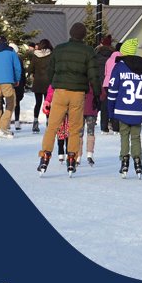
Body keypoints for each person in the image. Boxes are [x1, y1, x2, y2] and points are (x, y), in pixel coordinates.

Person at [38, 23, 100, 175]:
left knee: (53, 126)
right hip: (78, 93)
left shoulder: (59, 49)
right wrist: (97, 94)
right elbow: (93, 75)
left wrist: (55, 84)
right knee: (74, 127)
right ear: (84, 35)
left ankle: (45, 155)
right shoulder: (88, 51)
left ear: (71, 33)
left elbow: (50, 71)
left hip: (60, 91)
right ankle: (72, 157)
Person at [106, 38, 142, 177]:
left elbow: (112, 90)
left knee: (124, 135)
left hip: (122, 108)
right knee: (136, 137)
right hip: (137, 109)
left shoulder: (119, 67)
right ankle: (138, 162)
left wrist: (110, 110)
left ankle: (124, 161)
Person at [28, 39, 54, 133]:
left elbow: (30, 68)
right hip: (48, 83)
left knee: (38, 103)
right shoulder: (51, 55)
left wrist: (32, 74)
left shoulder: (35, 55)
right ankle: (48, 122)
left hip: (38, 82)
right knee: (47, 103)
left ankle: (35, 122)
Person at [93, 35, 116, 133]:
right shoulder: (114, 55)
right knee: (112, 103)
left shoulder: (97, 54)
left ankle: (103, 126)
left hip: (100, 81)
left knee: (102, 104)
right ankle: (112, 123)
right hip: (111, 81)